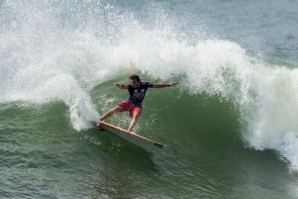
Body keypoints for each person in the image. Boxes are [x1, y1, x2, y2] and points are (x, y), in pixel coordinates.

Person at [94, 74, 179, 133]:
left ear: (138, 81)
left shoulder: (145, 84)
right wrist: (120, 86)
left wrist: (168, 84)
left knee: (135, 115)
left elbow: (156, 85)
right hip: (129, 102)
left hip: (138, 105)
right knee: (115, 108)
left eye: (134, 82)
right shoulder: (130, 86)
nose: (132, 84)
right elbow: (124, 86)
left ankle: (128, 131)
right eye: (131, 82)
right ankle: (100, 120)